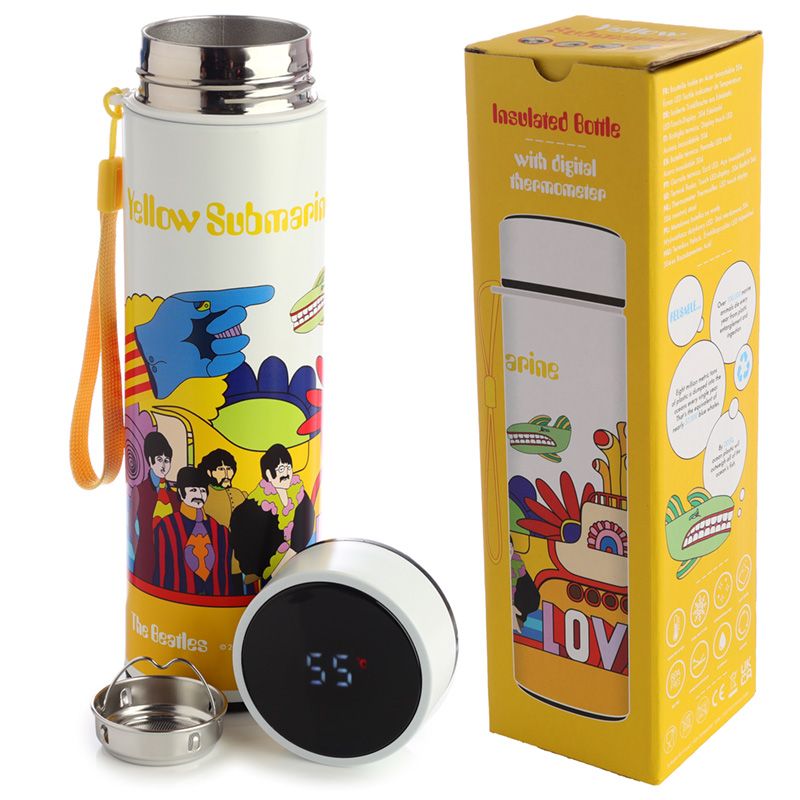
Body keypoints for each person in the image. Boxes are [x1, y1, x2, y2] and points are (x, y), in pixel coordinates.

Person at [152, 466, 241, 596]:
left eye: (203, 491)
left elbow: (225, 575)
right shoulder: (166, 527)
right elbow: (161, 572)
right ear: (181, 493)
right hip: (176, 601)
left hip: (216, 601)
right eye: (193, 490)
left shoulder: (221, 532)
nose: (199, 495)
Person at [248, 444, 315, 580]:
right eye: (281, 469)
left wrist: (292, 552)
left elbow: (307, 522)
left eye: (288, 467)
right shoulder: (257, 501)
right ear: (268, 474)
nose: (286, 473)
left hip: (298, 561)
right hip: (267, 569)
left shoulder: (299, 492)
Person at [130, 432, 180, 582]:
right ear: (150, 460)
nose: (164, 465)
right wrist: (139, 550)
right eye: (159, 459)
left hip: (171, 557)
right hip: (147, 556)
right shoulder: (140, 490)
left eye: (167, 460)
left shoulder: (175, 495)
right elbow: (132, 527)